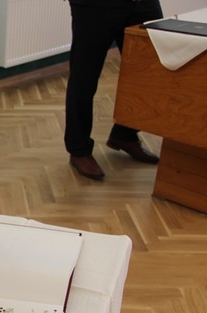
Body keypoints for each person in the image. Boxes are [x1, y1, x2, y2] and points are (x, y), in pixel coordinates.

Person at [65, 0, 163, 181]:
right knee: (84, 77)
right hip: (95, 6)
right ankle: (79, 149)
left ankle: (125, 134)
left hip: (142, 4)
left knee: (150, 70)